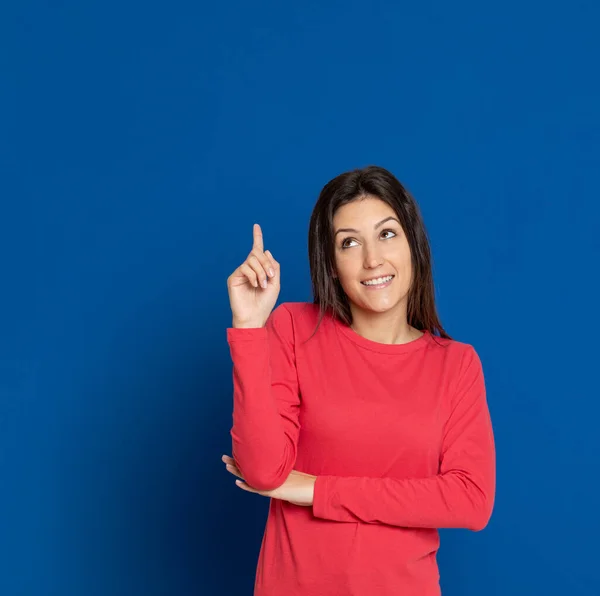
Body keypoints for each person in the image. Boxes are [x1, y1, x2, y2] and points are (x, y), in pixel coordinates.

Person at [221, 165, 496, 596]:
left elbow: (471, 501)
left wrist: (316, 490)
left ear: (413, 247)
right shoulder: (294, 328)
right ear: (330, 265)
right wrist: (250, 329)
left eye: (387, 234)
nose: (372, 260)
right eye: (349, 243)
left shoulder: (456, 364)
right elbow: (261, 471)